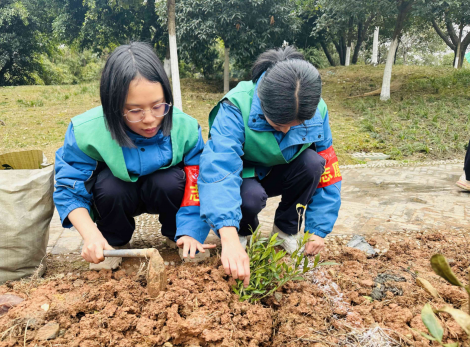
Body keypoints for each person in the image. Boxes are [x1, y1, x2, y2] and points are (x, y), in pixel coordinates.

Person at [53, 42, 213, 270]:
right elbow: (69, 187)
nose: (149, 119)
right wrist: (91, 235)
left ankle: (179, 234)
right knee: (110, 187)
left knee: (171, 181)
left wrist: (192, 229)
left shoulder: (185, 127)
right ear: (113, 106)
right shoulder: (86, 131)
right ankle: (113, 241)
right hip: (117, 195)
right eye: (135, 110)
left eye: (158, 106)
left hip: (164, 191)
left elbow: (199, 182)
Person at [198, 46, 342, 286]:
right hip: (244, 176)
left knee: (313, 164)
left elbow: (329, 169)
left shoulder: (315, 109)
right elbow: (219, 170)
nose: (285, 130)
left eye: (294, 125)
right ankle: (244, 234)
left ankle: (285, 231)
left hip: (283, 171)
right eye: (277, 124)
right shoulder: (236, 107)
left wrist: (319, 228)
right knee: (250, 197)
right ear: (262, 102)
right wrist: (229, 236)